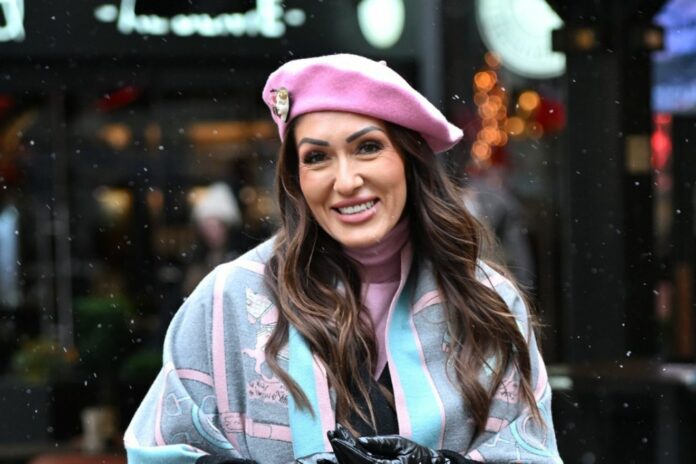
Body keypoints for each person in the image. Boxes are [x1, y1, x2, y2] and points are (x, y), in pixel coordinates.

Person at [124, 54, 562, 464]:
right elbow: (157, 452)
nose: (346, 181)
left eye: (367, 147)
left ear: (409, 158)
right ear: (296, 178)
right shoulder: (227, 301)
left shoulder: (488, 300)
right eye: (317, 157)